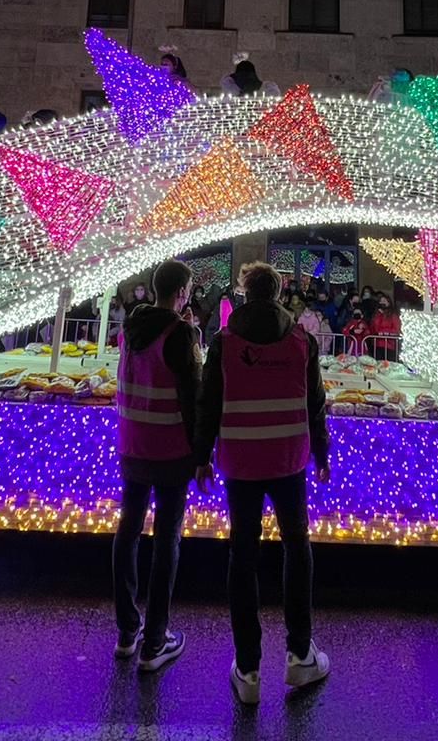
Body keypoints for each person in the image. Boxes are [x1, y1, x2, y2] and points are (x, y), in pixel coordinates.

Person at [196, 262, 331, 704]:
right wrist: (322, 455)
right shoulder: (301, 341)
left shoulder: (226, 342)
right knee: (297, 546)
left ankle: (249, 668)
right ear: (278, 293)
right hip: (290, 458)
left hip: (241, 459)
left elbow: (208, 401)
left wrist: (201, 458)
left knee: (243, 556)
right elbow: (316, 402)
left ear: (244, 293)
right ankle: (299, 654)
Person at [112, 259, 202, 672]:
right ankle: (155, 641)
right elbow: (192, 398)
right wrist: (203, 454)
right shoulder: (179, 334)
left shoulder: (132, 329)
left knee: (128, 533)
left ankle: (128, 631)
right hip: (169, 451)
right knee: (166, 540)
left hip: (132, 445)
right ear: (182, 292)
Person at [370, 293, 402, 359]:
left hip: (389, 345)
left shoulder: (393, 315)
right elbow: (374, 328)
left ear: (388, 303)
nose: (382, 303)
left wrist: (383, 332)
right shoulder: (376, 314)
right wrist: (380, 315)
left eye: (384, 301)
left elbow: (396, 330)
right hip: (377, 344)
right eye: (381, 301)